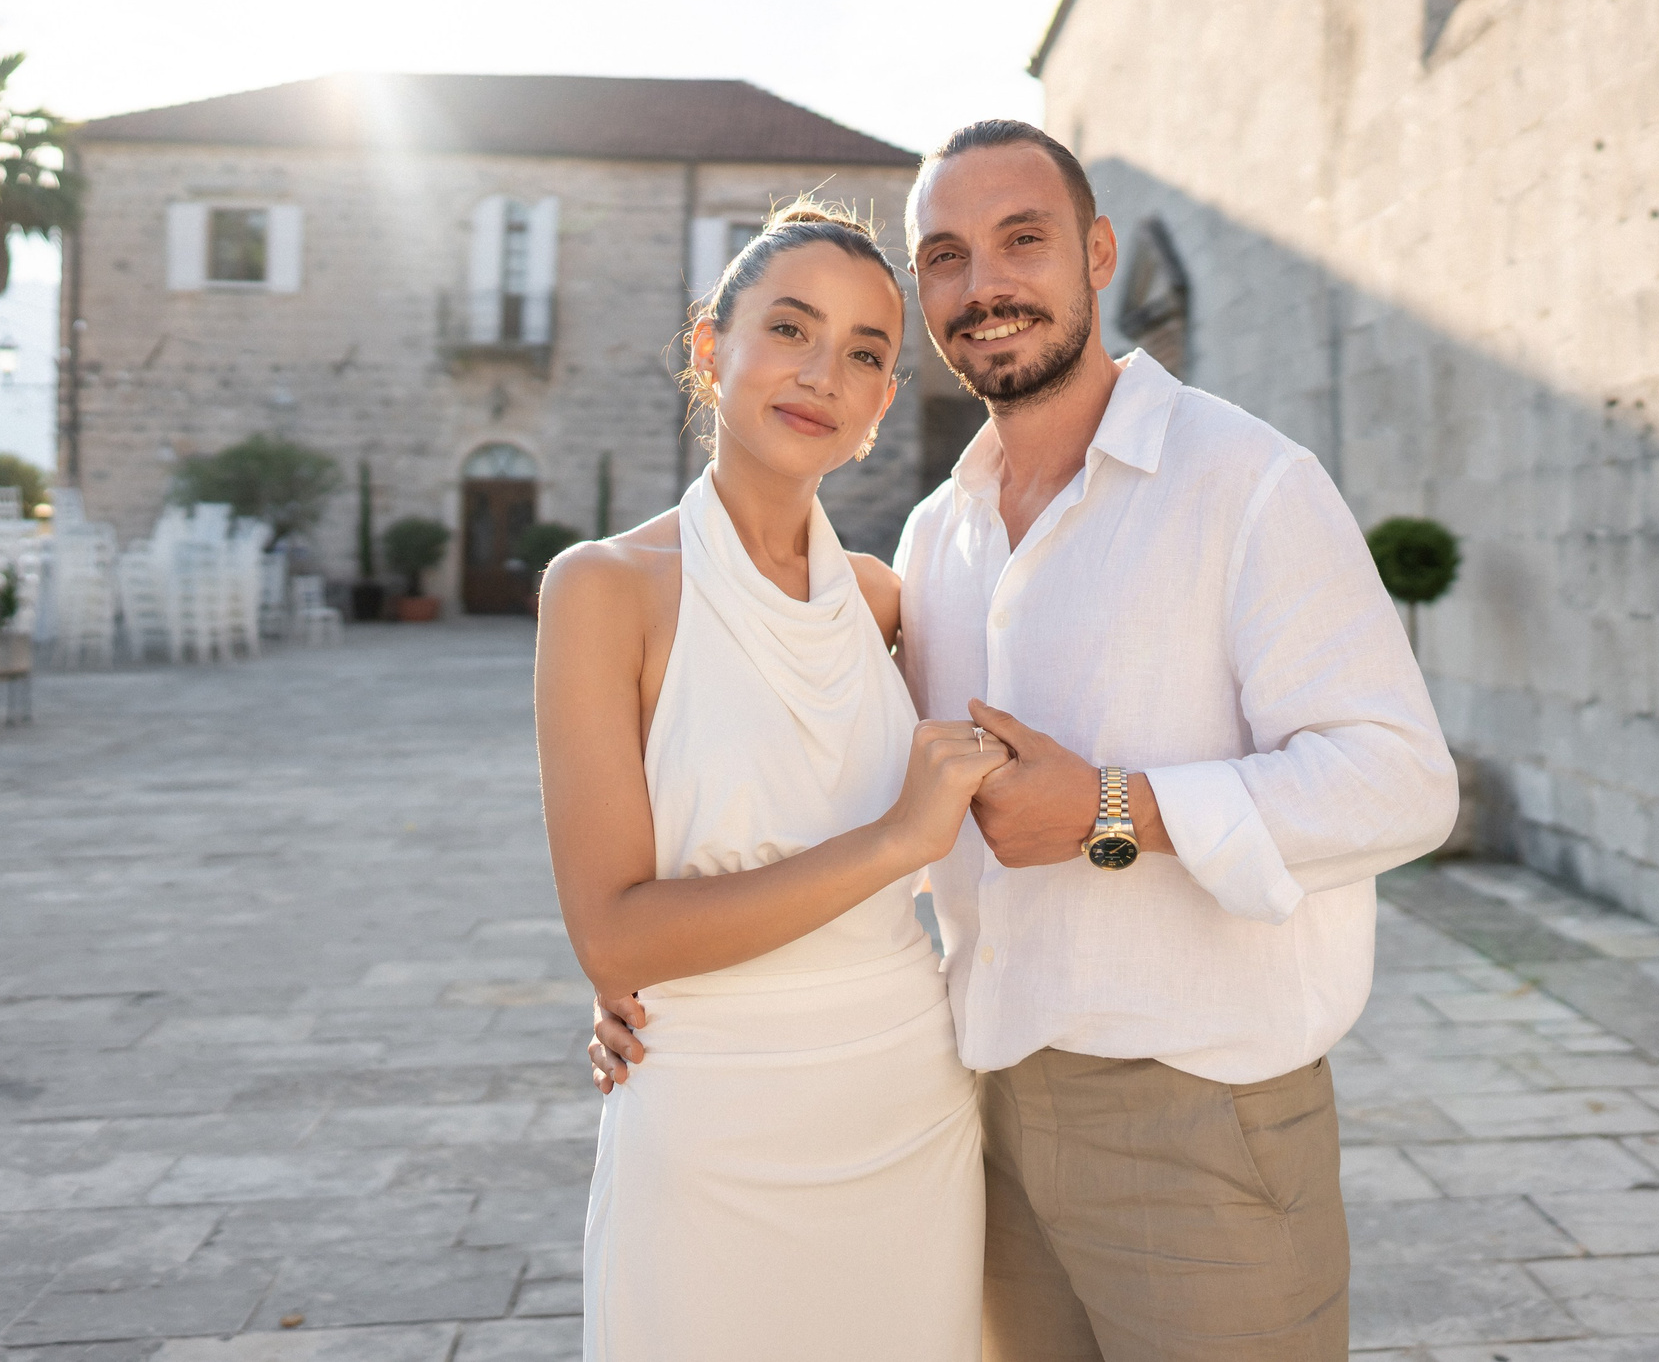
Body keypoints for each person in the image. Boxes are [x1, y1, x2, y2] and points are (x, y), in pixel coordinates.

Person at [597, 122, 1461, 1360]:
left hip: (1197, 1124)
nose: (983, 284)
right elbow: (798, 776)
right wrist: (644, 973)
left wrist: (1117, 810)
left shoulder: (1246, 481)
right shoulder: (932, 541)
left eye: (1022, 241)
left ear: (1096, 253)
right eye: (944, 257)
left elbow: (1400, 783)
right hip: (972, 1112)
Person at [537, 198, 1004, 1362]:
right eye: (789, 330)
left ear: (882, 406)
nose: (821, 376)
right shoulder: (603, 590)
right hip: (710, 1118)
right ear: (711, 348)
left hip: (907, 1101)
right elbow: (616, 938)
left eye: (862, 354)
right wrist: (900, 842)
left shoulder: (886, 601)